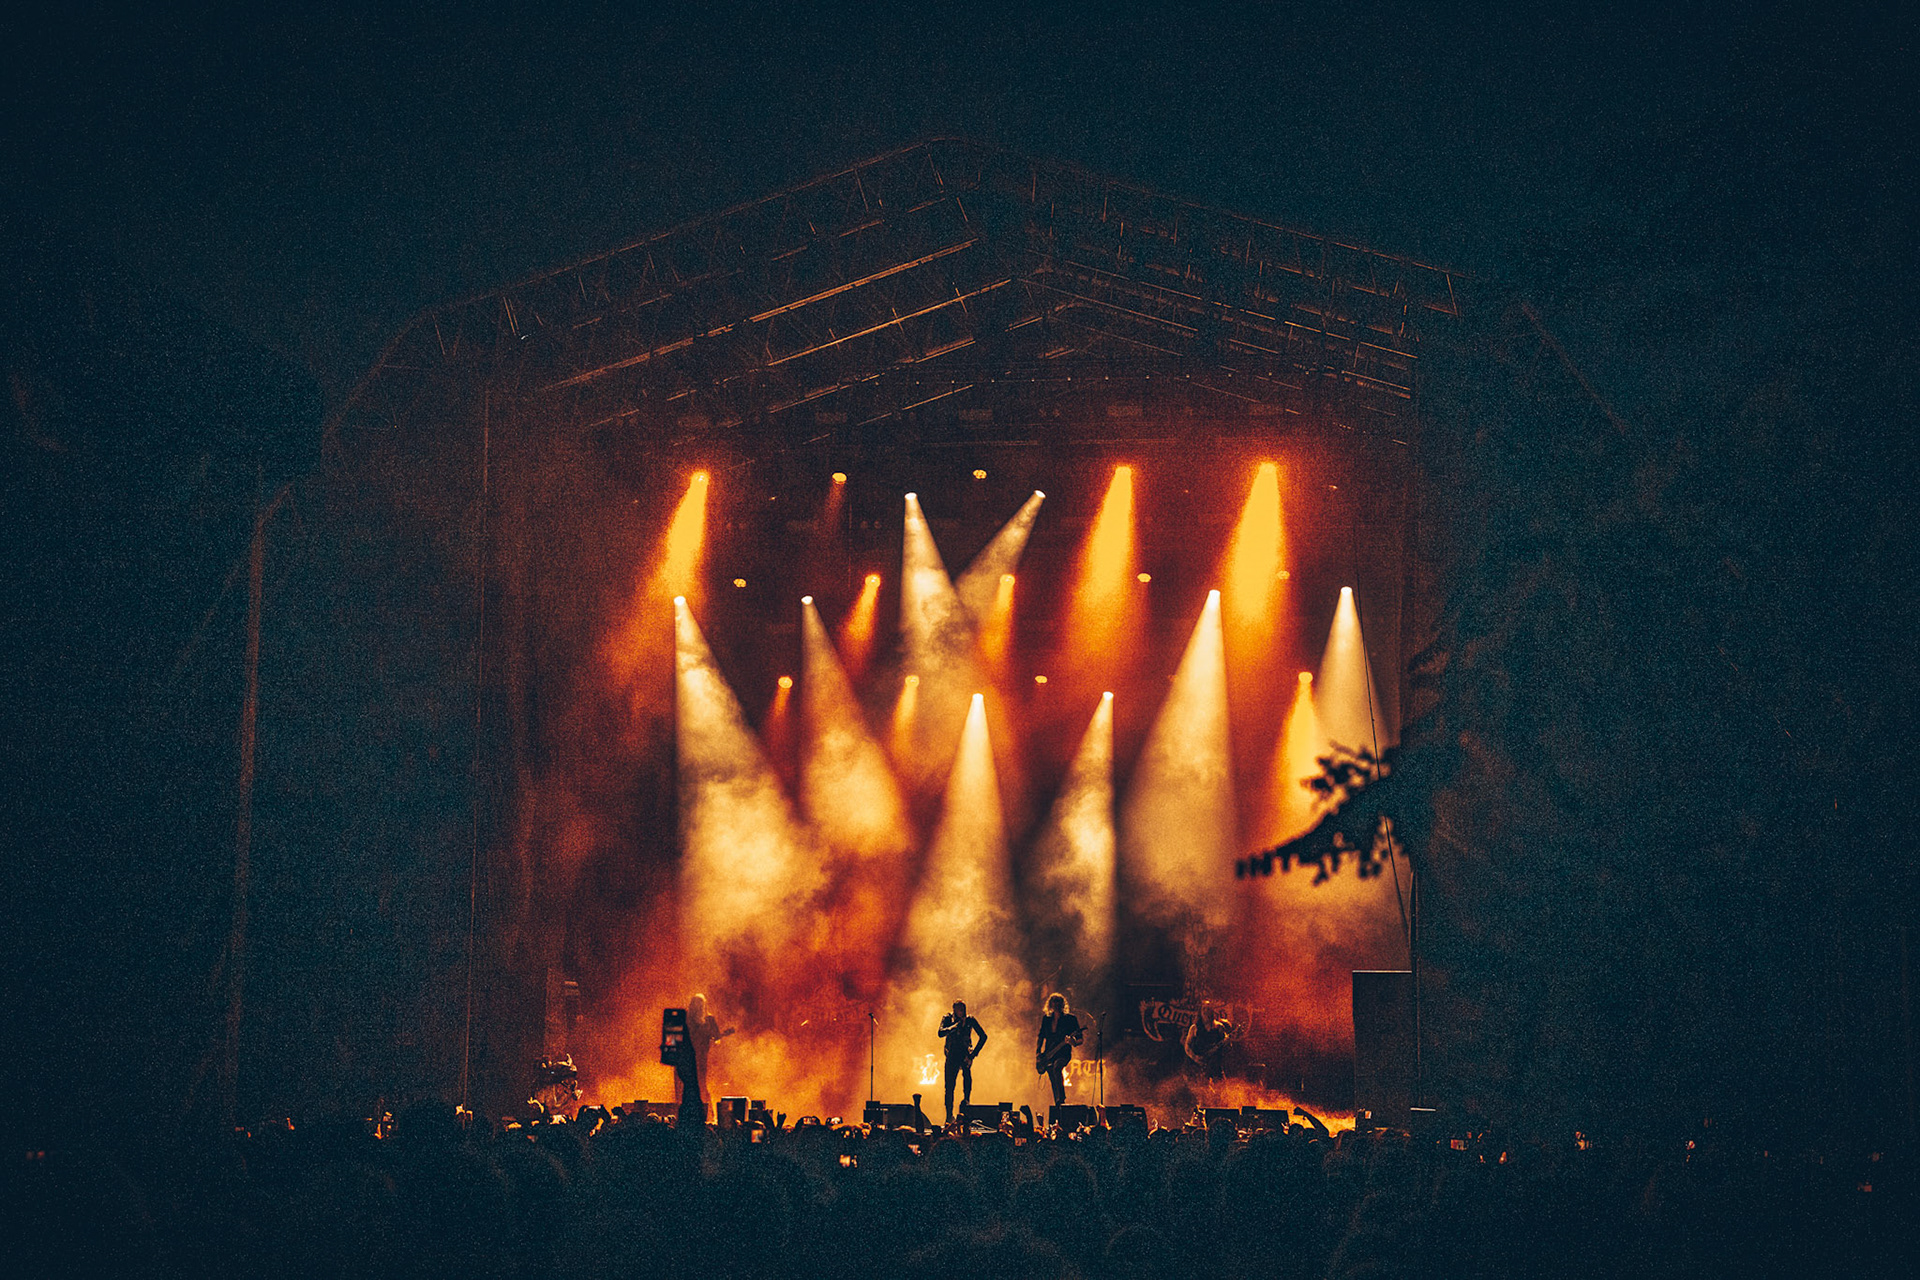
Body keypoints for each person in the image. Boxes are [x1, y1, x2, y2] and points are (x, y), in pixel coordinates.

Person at [676, 993, 736, 1118]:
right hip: (686, 1060)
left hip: (699, 1060)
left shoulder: (708, 1020)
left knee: (699, 1087)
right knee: (688, 1087)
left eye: (700, 1004)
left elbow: (716, 1037)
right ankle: (691, 1116)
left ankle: (708, 1115)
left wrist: (723, 1035)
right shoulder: (686, 1020)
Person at [937, 1000, 987, 1125]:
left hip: (965, 1055)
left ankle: (966, 1107)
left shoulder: (970, 1020)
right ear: (954, 1009)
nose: (962, 1012)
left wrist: (973, 1054)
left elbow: (983, 1036)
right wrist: (955, 1026)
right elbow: (940, 1033)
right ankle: (949, 1116)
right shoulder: (947, 1018)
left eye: (963, 1009)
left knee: (967, 1082)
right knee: (949, 1087)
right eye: (960, 1009)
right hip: (952, 1055)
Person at [1034, 993, 1084, 1107]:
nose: (1056, 1004)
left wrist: (1073, 1042)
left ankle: (1061, 1098)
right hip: (1048, 1054)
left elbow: (1080, 1039)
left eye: (1059, 1001)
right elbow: (1041, 1036)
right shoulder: (1046, 1019)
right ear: (1050, 1004)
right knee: (1053, 1078)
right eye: (1054, 1001)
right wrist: (1038, 1052)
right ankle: (1058, 1103)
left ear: (1063, 1004)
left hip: (1063, 1053)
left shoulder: (1070, 1019)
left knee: (1057, 1067)